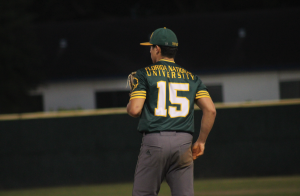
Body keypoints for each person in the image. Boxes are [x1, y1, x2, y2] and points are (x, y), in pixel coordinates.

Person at [127, 27, 216, 196]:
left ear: (157, 49)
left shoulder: (144, 74)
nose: (150, 51)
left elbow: (134, 110)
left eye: (151, 47)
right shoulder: (192, 78)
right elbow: (210, 110)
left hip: (155, 141)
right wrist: (201, 141)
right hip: (184, 144)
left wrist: (132, 98)